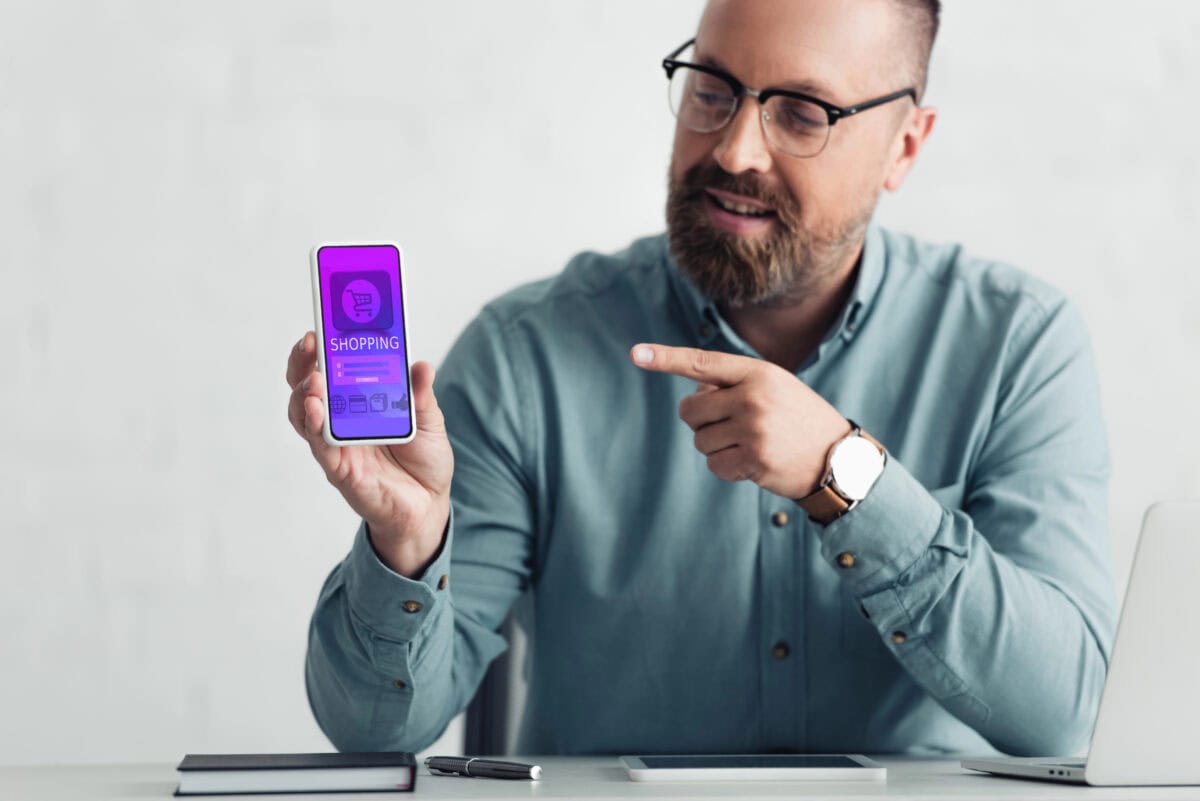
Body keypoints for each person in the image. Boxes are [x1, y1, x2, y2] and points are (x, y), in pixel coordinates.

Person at [286, 0, 1116, 757]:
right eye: (712, 89)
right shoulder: (525, 355)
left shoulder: (1017, 345)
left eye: (802, 113)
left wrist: (845, 476)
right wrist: (408, 545)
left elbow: (1061, 713)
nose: (733, 148)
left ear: (904, 147)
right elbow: (371, 732)